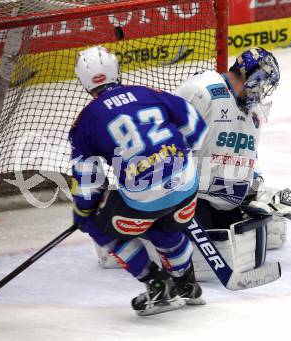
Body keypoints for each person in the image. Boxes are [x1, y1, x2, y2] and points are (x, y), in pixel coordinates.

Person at [69, 45, 207, 316]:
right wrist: (173, 155)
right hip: (187, 186)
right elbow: (196, 126)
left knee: (95, 224)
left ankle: (157, 285)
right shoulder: (148, 93)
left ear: (84, 82)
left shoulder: (85, 121)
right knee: (163, 228)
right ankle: (187, 284)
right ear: (116, 70)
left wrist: (83, 211)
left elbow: (88, 181)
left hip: (143, 198)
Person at [172, 47, 291, 276]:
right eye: (262, 82)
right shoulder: (202, 91)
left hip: (224, 194)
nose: (262, 91)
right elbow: (166, 140)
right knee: (205, 253)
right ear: (250, 75)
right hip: (190, 193)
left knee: (252, 235)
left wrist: (258, 189)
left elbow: (249, 158)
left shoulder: (254, 112)